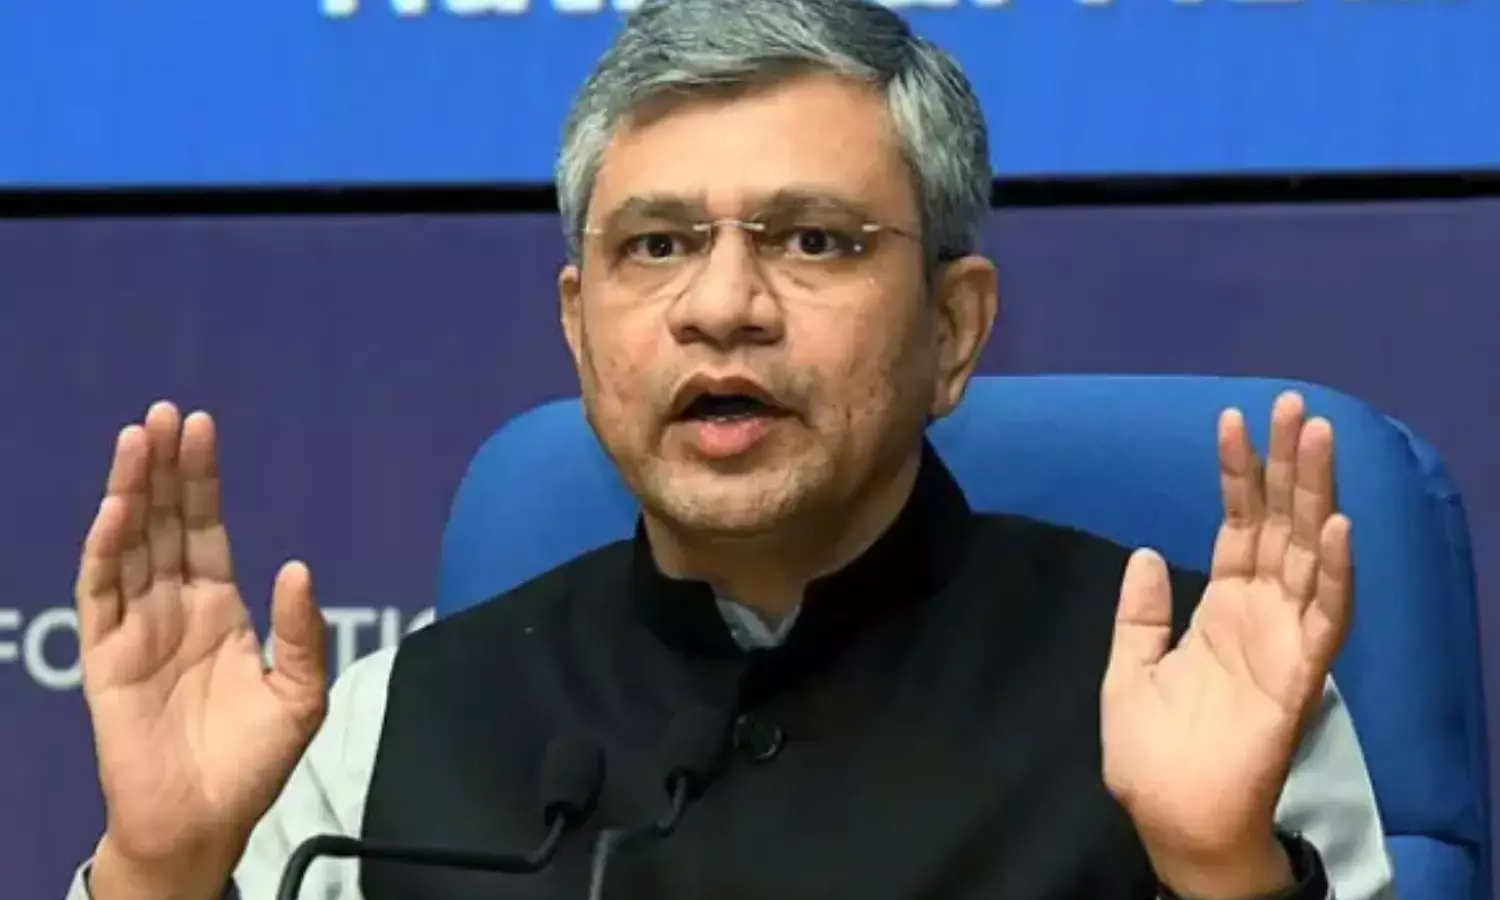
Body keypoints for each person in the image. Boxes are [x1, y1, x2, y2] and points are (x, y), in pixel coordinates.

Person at [67, 1, 1395, 898]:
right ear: (580, 329)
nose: (722, 305)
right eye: (656, 245)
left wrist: (1220, 872)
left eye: (812, 240)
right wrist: (159, 874)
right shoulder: (387, 730)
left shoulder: (1186, 692)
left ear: (952, 329)